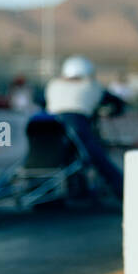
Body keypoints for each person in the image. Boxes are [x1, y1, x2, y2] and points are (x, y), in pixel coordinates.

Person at [44, 55, 126, 199]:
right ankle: (124, 193)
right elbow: (117, 103)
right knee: (99, 160)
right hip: (76, 124)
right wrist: (111, 112)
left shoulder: (53, 84)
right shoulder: (91, 85)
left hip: (48, 125)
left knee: (48, 160)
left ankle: (49, 194)